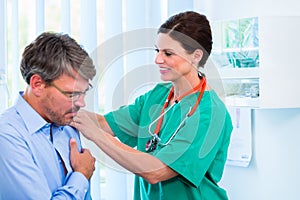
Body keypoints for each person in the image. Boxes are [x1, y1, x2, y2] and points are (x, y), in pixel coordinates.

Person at [72, 11, 233, 200]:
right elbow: (105, 123)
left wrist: (96, 135)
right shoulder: (158, 96)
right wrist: (65, 105)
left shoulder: (210, 112)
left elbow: (156, 171)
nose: (158, 59)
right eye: (157, 51)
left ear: (196, 55)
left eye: (168, 53)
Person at [0, 32, 96, 199]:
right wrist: (81, 175)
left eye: (84, 92)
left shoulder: (67, 126)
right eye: (72, 94)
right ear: (37, 84)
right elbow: (81, 180)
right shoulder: (7, 137)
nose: (82, 103)